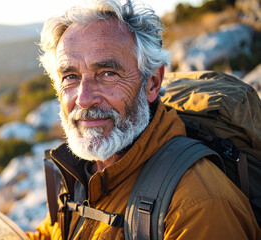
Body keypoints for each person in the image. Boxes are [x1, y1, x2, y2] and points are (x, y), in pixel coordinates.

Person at [26, 0, 261, 239]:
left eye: (108, 73)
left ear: (152, 83)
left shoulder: (197, 206)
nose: (84, 99)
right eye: (71, 76)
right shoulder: (83, 171)